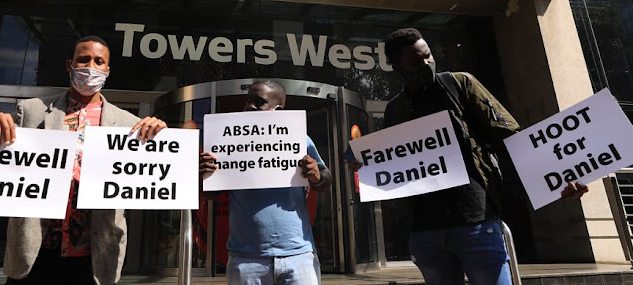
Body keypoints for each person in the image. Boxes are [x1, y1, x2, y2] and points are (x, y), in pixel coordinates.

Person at [350, 28, 588, 285]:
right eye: (416, 62)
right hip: (425, 233)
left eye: (428, 56)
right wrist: (366, 163)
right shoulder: (395, 109)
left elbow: (510, 138)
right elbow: (390, 162)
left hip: (476, 221)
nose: (427, 64)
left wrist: (557, 176)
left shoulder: (460, 84)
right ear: (398, 68)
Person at [0, 36, 167, 285]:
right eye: (83, 59)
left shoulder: (130, 125)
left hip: (94, 258)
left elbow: (158, 171)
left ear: (107, 71)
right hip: (35, 252)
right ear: (70, 65)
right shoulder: (32, 111)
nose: (91, 66)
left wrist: (162, 133)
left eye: (99, 61)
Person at [199, 81, 332, 285]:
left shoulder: (300, 139)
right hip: (246, 259)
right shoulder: (227, 142)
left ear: (277, 109)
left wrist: (316, 175)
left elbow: (325, 180)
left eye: (259, 102)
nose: (250, 106)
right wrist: (205, 176)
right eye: (248, 101)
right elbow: (211, 195)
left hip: (298, 255)